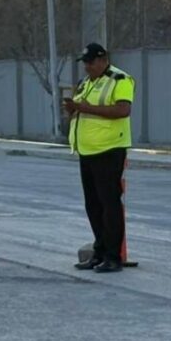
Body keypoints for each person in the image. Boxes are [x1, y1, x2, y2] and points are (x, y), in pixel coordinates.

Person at [65, 43, 135, 273]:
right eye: (84, 63)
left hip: (109, 149)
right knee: (93, 205)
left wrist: (85, 108)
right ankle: (100, 251)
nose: (87, 67)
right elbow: (83, 109)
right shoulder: (87, 82)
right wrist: (73, 109)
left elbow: (123, 110)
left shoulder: (119, 79)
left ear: (103, 60)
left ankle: (113, 256)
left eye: (91, 62)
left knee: (109, 204)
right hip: (87, 150)